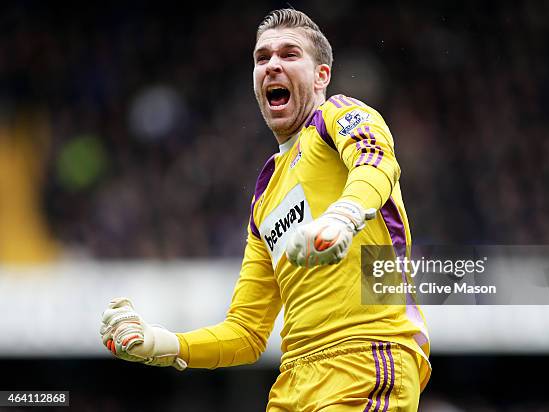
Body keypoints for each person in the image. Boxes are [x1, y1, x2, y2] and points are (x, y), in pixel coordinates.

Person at [100, 8, 431, 411]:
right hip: (293, 384)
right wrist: (160, 343)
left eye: (290, 54)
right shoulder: (265, 197)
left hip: (367, 358)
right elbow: (246, 332)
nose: (273, 64)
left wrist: (343, 216)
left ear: (321, 75)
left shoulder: (339, 115)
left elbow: (376, 161)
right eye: (262, 58)